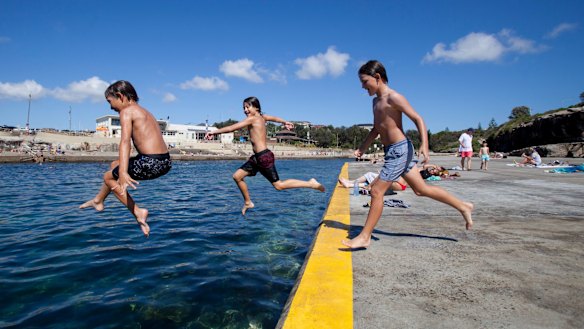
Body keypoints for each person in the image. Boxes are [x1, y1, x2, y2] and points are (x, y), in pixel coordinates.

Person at [342, 60, 473, 249]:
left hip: (400, 149)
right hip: (392, 151)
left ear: (377, 77)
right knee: (421, 190)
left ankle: (365, 236)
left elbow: (418, 119)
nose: (362, 86)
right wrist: (363, 147)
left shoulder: (394, 97)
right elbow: (377, 128)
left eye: (364, 81)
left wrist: (425, 145)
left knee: (376, 190)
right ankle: (463, 206)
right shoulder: (375, 102)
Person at [80, 81, 172, 237]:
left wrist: (123, 172)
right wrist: (120, 167)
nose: (110, 107)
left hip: (151, 162)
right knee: (114, 165)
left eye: (110, 102)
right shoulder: (145, 112)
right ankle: (98, 200)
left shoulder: (127, 112)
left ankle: (138, 212)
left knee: (108, 177)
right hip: (165, 161)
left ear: (120, 96)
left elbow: (125, 142)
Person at [205, 96, 325, 215]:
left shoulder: (252, 119)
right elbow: (274, 118)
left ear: (256, 107)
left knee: (279, 185)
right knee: (237, 176)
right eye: (244, 108)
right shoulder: (262, 117)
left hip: (264, 157)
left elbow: (231, 128)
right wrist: (284, 121)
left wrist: (214, 132)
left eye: (248, 107)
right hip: (257, 158)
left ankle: (311, 184)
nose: (245, 110)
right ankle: (248, 202)